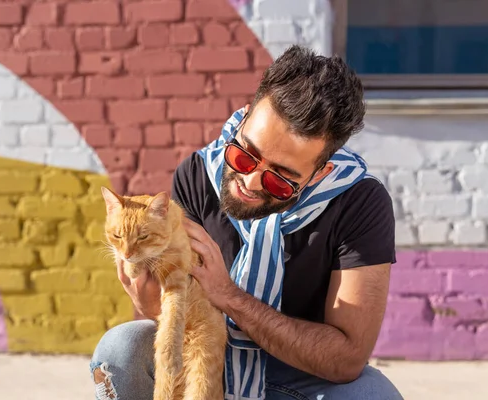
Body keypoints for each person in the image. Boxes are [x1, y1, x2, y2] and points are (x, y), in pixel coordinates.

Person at [90, 45, 403, 400]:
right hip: (210, 357)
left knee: (373, 395)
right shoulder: (197, 175)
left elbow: (345, 360)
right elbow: (179, 316)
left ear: (319, 174)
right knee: (122, 350)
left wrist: (228, 296)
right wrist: (153, 298)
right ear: (241, 122)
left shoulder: (360, 203)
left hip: (301, 375)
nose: (250, 181)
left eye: (279, 179)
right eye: (245, 154)